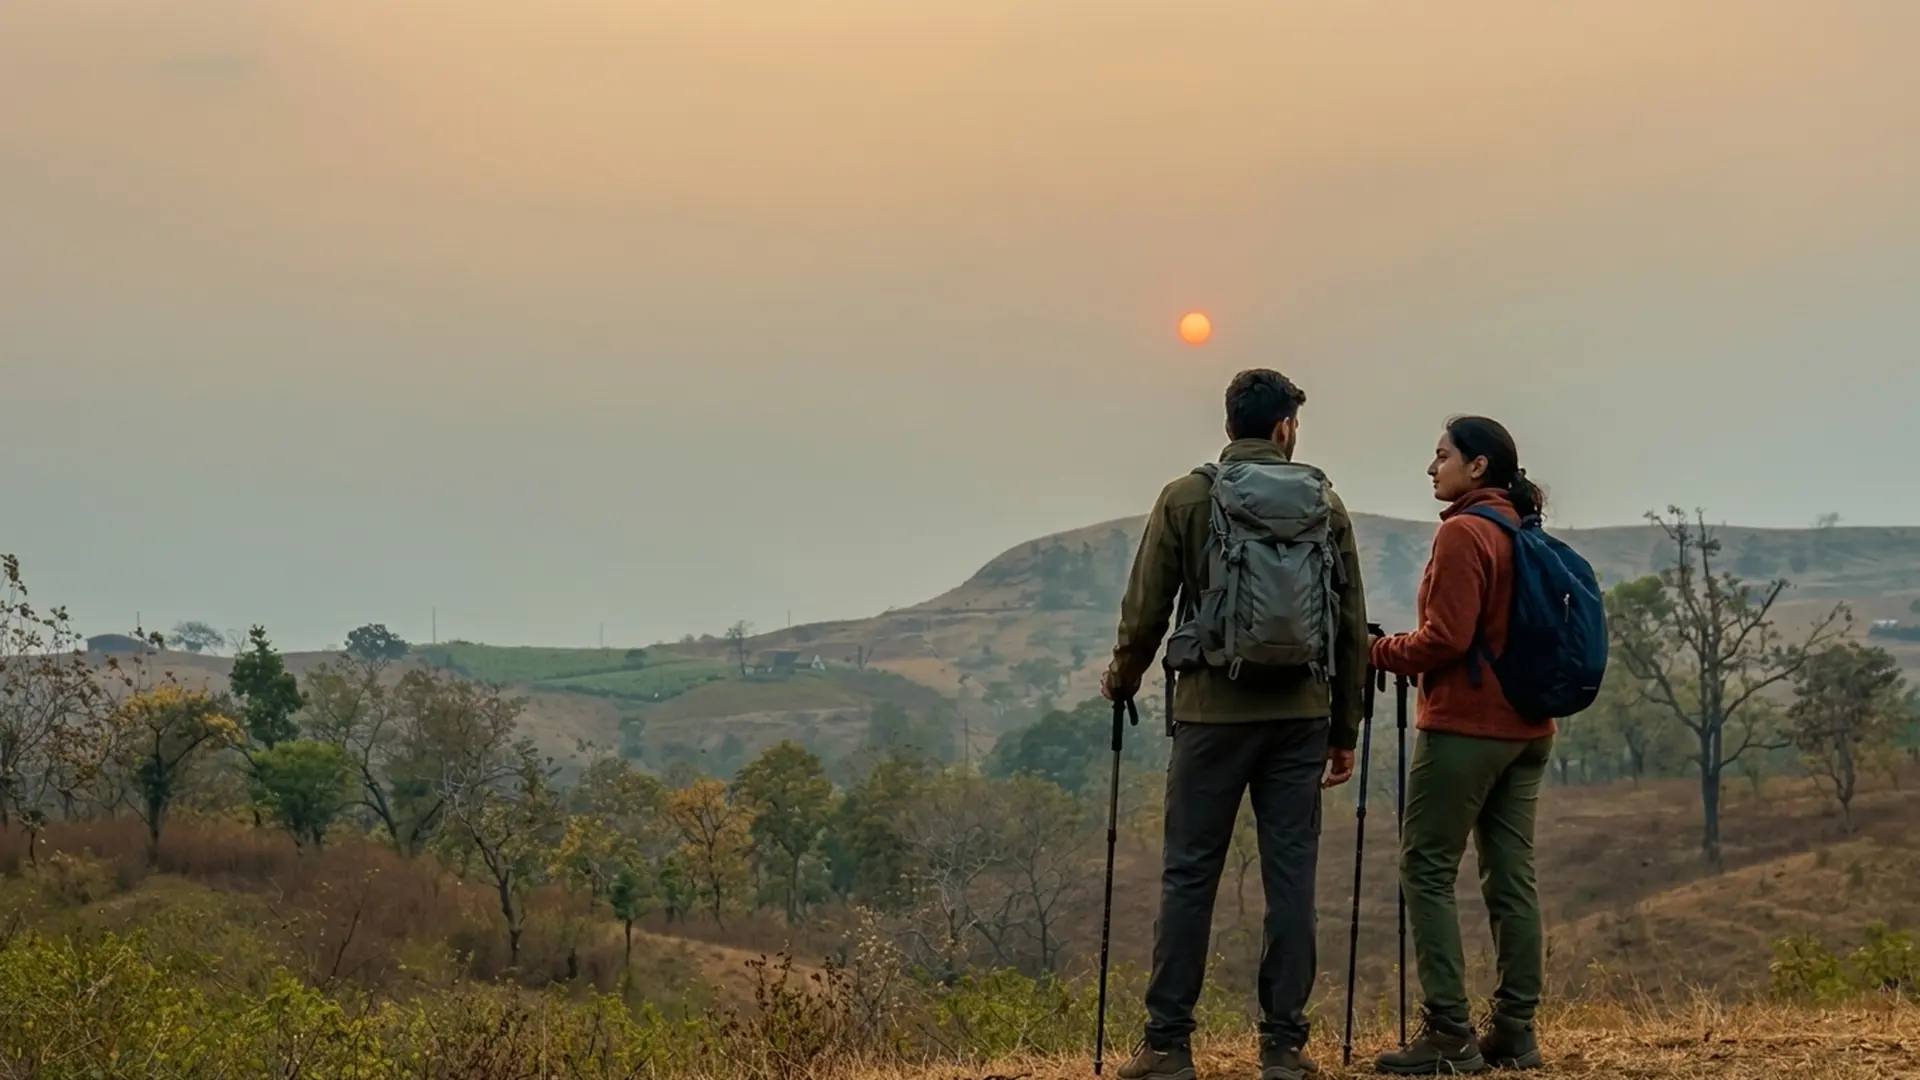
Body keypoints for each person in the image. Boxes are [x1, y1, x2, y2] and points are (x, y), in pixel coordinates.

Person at [1101, 368, 1369, 1080]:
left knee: (1189, 875)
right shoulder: (1325, 503)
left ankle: (1167, 1046)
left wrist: (1122, 681)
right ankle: (1283, 1047)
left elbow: (1146, 609)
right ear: (1286, 428)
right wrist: (1346, 729)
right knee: (1292, 880)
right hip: (1301, 718)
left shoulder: (1187, 498)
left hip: (1210, 716)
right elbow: (1347, 625)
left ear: (1229, 426)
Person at [1369, 416, 1556, 1075]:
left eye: (1442, 455)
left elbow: (1445, 640)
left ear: (1477, 467)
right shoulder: (1520, 530)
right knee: (1511, 876)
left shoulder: (1463, 534)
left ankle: (1448, 1033)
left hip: (1466, 729)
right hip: (1529, 731)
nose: (1432, 467)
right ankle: (1515, 1031)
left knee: (1425, 868)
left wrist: (1378, 650)